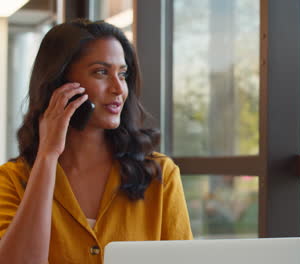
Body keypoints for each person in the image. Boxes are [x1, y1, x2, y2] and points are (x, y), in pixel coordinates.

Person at [0, 19, 192, 264]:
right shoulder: (11, 180)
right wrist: (47, 156)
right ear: (59, 84)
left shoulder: (160, 174)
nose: (118, 88)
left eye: (122, 74)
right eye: (101, 72)